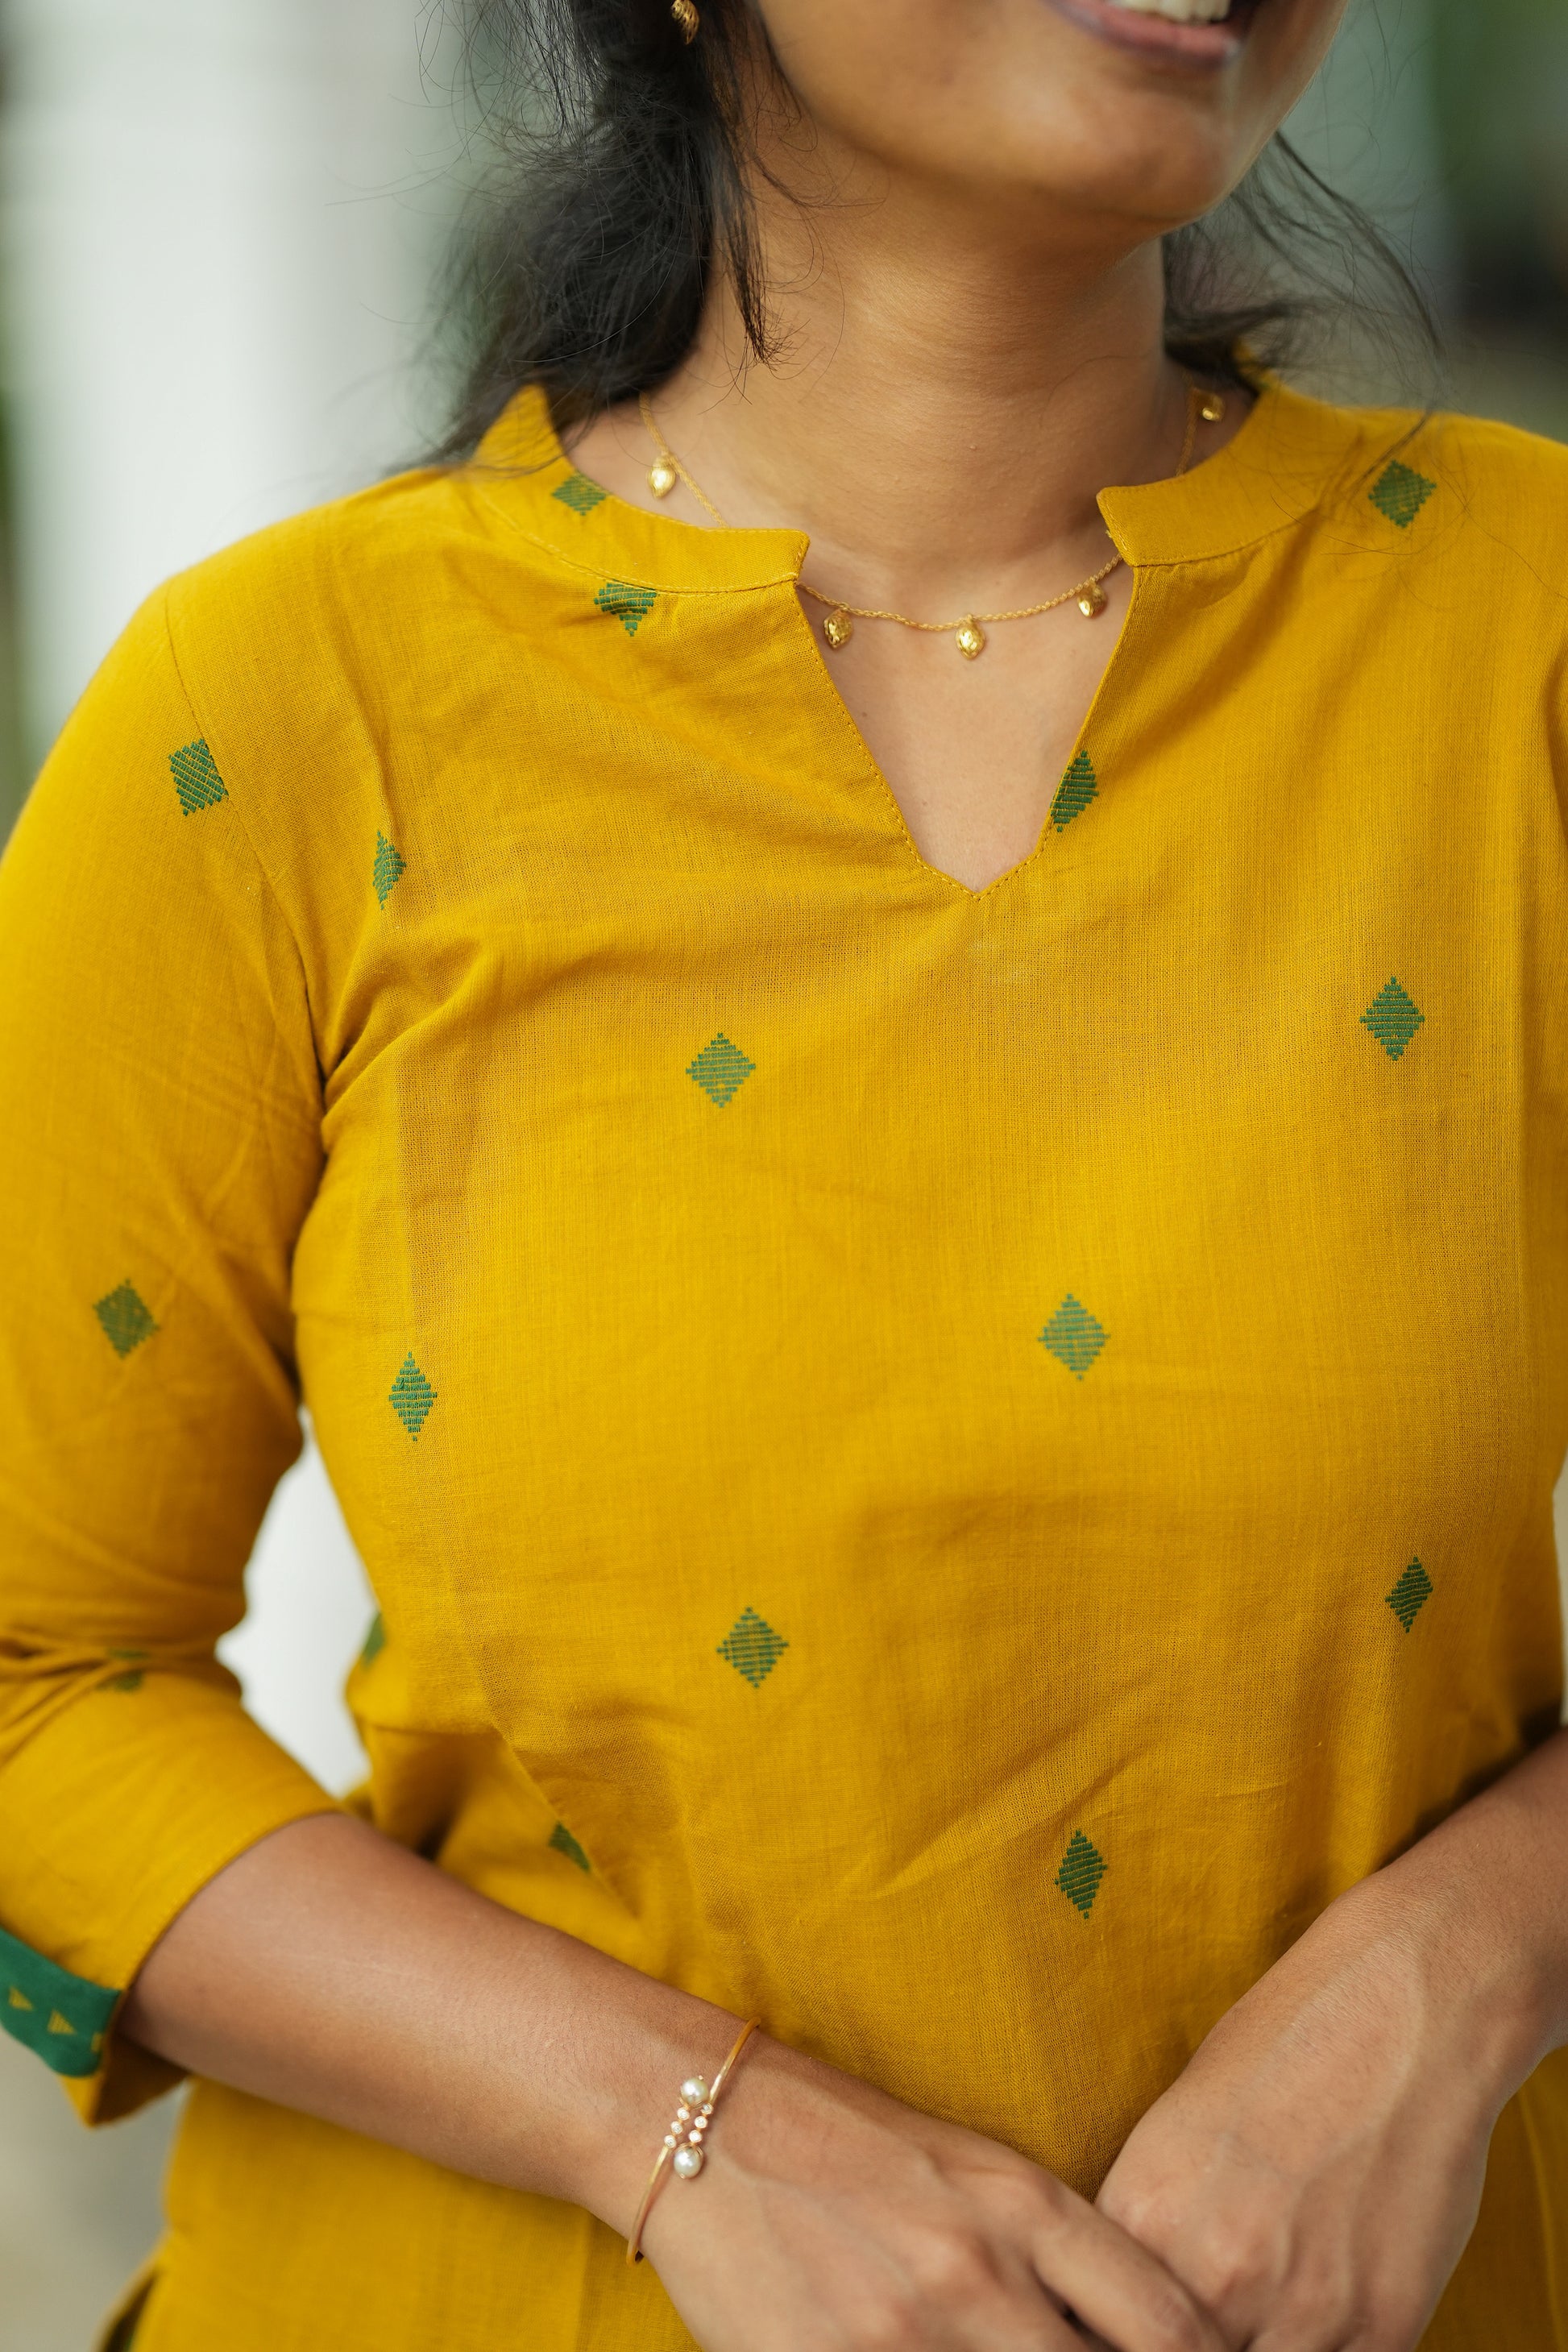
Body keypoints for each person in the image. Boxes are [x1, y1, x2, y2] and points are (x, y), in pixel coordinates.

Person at [2, 0, 1566, 2345]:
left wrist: (1463, 1970)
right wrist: (684, 2132)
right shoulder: (283, 710)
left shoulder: (1520, 630)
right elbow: (33, 1681)